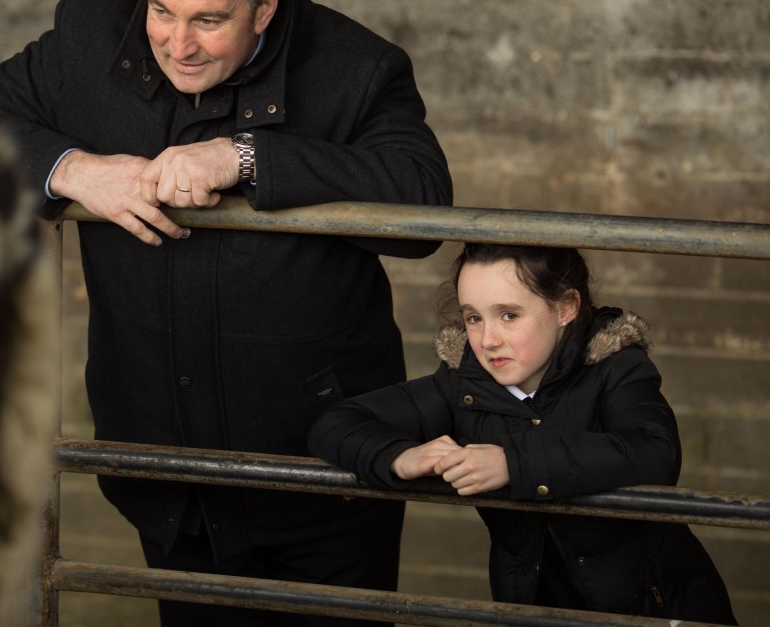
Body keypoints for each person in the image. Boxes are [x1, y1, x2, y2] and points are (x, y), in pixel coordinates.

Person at [0, 0, 453, 625]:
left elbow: (422, 196)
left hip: (325, 473)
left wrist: (248, 157)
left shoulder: (355, 66)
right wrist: (75, 170)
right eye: (162, 10)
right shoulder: (89, 36)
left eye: (209, 20)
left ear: (266, 6)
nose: (177, 44)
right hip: (164, 471)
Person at [308, 243, 737, 624]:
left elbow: (655, 452)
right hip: (532, 607)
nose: (487, 339)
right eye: (473, 318)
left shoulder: (616, 369)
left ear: (566, 307)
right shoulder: (462, 385)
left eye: (509, 315)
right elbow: (335, 422)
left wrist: (513, 462)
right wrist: (398, 456)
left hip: (654, 608)